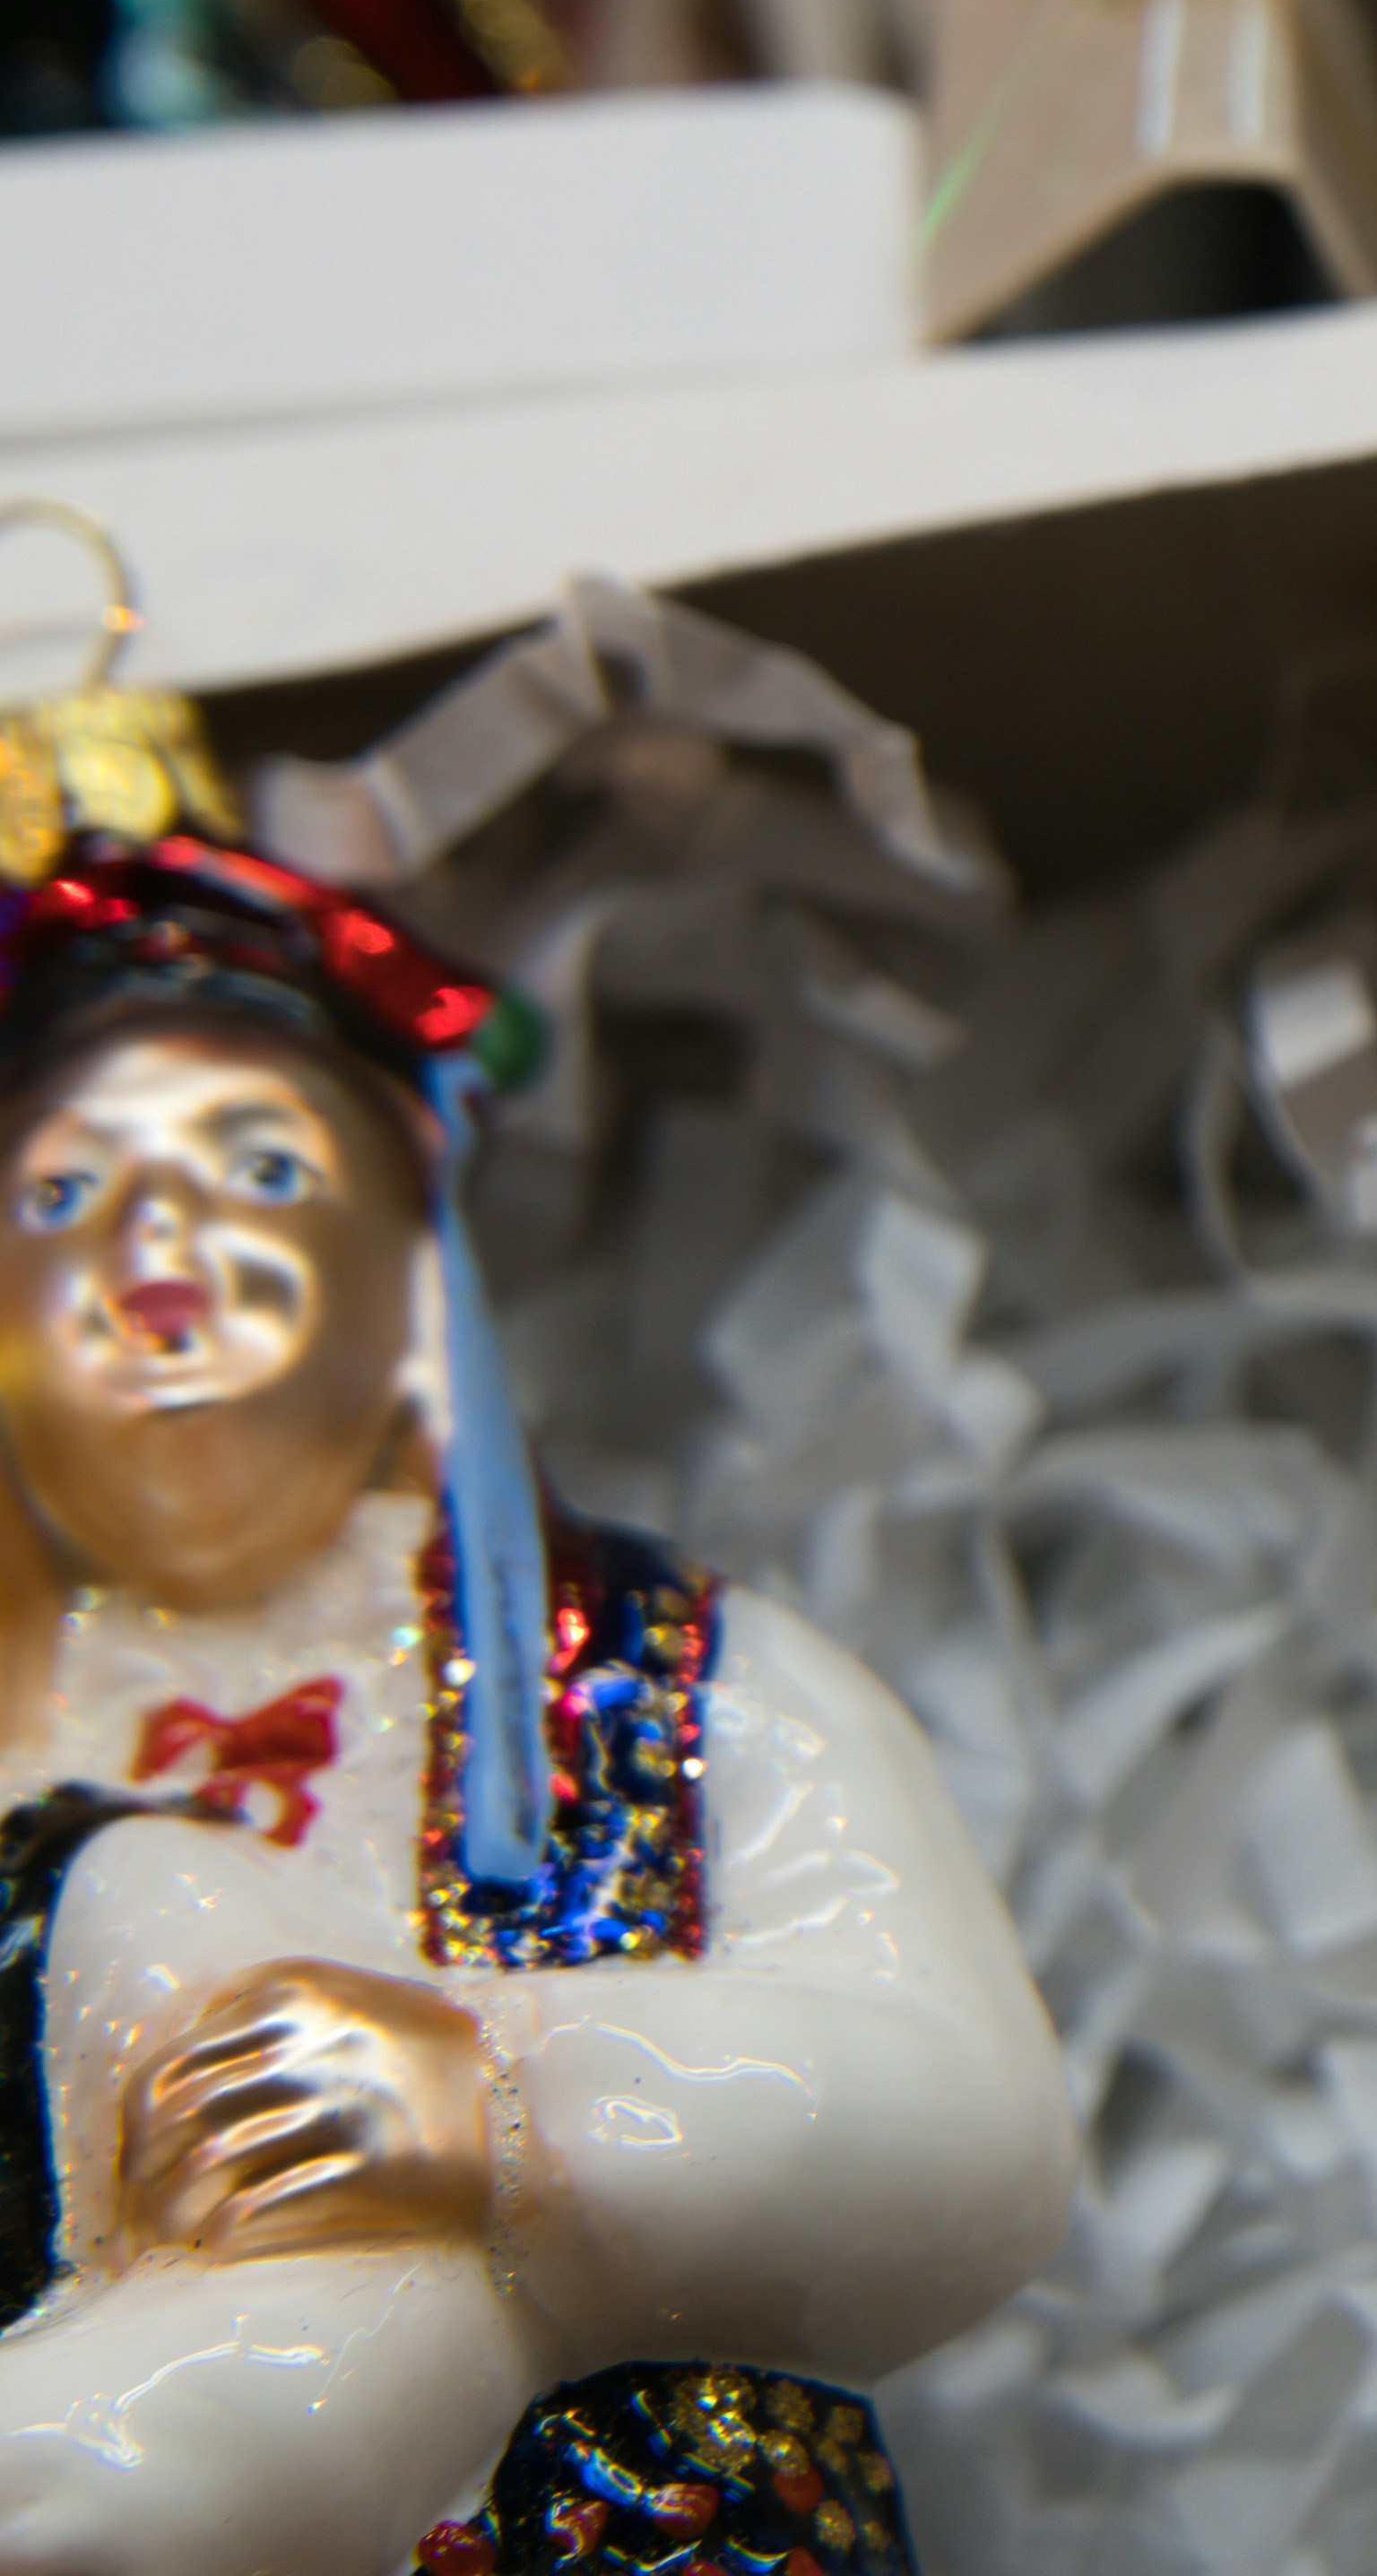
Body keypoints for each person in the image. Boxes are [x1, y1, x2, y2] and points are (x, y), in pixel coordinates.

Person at [0, 831, 1067, 2571]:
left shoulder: (660, 1681)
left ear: (404, 1261)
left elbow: (976, 2127)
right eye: (61, 1193)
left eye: (255, 1166)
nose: (156, 1251)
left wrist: (503, 2097)